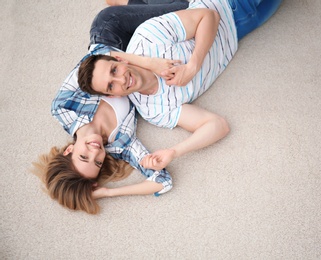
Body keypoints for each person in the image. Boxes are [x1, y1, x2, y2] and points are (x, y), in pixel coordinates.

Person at [77, 0, 283, 170]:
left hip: (229, 5)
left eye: (114, 71)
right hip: (242, 28)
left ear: (120, 60)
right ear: (112, 95)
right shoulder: (152, 111)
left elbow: (208, 16)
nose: (122, 80)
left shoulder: (146, 38)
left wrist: (192, 67)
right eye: (111, 86)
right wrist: (173, 152)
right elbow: (218, 125)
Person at [34, 0, 189, 214]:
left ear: (69, 149)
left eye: (83, 156)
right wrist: (108, 193)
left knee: (187, 5)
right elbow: (162, 181)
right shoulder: (121, 144)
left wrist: (150, 64)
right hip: (147, 43)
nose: (95, 152)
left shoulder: (64, 107)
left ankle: (122, 5)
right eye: (97, 163)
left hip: (115, 34)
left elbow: (97, 56)